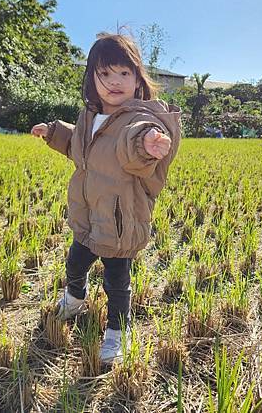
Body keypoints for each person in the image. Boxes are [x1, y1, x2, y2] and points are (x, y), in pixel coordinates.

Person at [31, 33, 181, 364]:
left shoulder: (141, 118)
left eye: (124, 73)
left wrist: (148, 145)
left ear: (137, 79)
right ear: (92, 79)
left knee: (117, 283)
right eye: (105, 74)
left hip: (118, 220)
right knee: (75, 264)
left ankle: (118, 330)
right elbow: (79, 147)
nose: (115, 82)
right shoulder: (89, 117)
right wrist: (55, 133)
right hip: (88, 216)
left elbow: (132, 144)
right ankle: (74, 297)